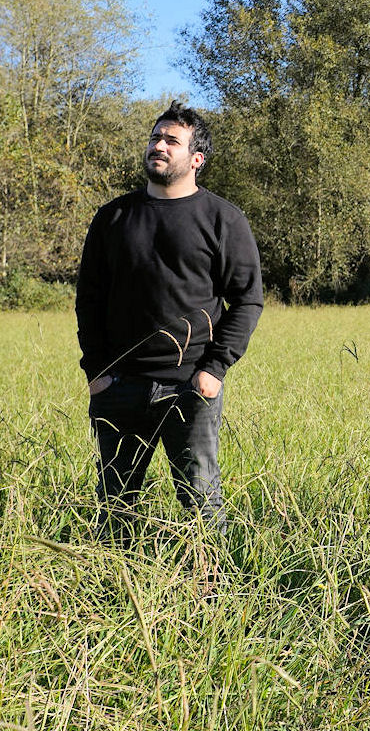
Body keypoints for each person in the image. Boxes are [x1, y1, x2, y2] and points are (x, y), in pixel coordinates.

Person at [76, 101, 263, 544]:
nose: (158, 146)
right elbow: (89, 300)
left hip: (190, 388)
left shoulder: (223, 219)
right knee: (114, 504)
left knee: (201, 503)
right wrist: (98, 372)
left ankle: (211, 582)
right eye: (155, 138)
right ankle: (111, 579)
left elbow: (248, 300)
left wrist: (213, 371)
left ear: (196, 158)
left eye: (171, 141)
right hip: (119, 386)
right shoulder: (113, 217)